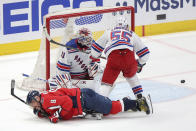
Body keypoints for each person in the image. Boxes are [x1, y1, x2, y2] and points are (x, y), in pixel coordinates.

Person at [90, 17, 151, 114]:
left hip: (113, 59)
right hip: (129, 58)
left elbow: (95, 50)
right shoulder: (132, 34)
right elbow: (145, 54)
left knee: (106, 83)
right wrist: (139, 64)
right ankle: (141, 100)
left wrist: (94, 55)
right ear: (127, 26)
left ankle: (99, 108)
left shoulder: (109, 32)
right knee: (132, 76)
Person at [26, 88, 140, 123]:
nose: (32, 106)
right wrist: (40, 112)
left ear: (37, 98)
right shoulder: (44, 101)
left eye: (32, 103)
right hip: (85, 100)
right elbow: (48, 111)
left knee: (112, 108)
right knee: (106, 111)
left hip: (86, 100)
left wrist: (58, 116)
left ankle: (139, 103)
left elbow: (67, 102)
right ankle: (126, 101)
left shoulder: (46, 100)